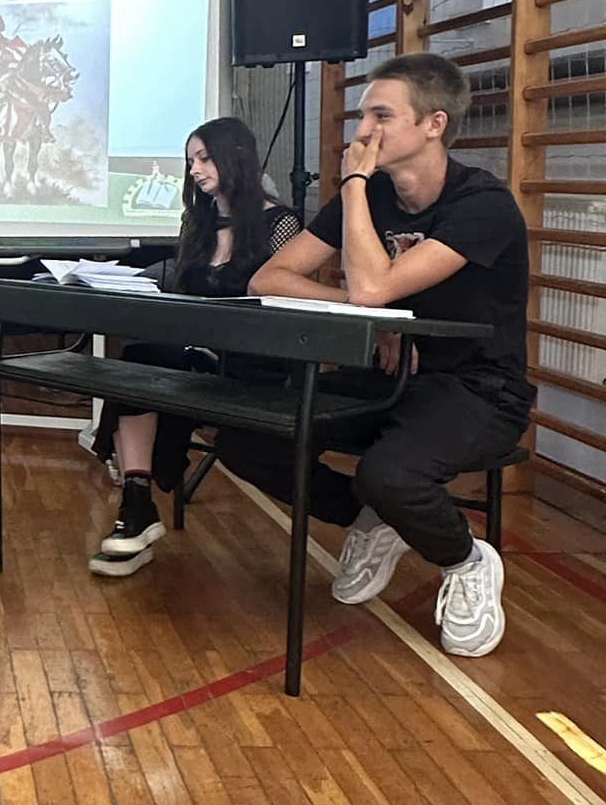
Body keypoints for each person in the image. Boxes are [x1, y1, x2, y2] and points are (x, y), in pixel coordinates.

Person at [241, 50, 534, 657]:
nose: (364, 131)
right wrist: (370, 317)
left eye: (381, 116)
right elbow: (269, 279)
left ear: (434, 124)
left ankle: (467, 560)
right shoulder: (374, 195)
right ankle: (374, 520)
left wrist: (351, 187)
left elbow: (374, 288)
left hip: (479, 389)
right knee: (250, 437)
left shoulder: (482, 204)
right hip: (390, 377)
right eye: (361, 116)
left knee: (390, 474)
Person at [89, 115, 302, 575]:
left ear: (234, 157)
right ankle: (137, 505)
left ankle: (137, 511)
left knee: (142, 363)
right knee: (139, 361)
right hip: (195, 353)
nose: (194, 170)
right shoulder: (199, 222)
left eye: (204, 158)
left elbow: (282, 304)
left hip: (251, 362)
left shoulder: (280, 223)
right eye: (191, 161)